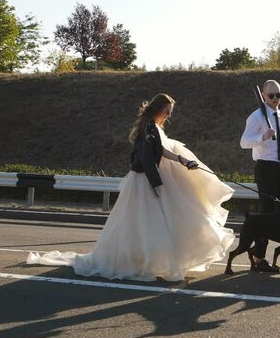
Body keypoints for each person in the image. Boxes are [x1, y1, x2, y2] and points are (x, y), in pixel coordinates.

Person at [27, 93, 236, 282]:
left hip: (148, 178)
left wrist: (182, 160)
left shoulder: (153, 126)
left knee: (148, 222)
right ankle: (145, 261)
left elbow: (162, 150)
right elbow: (158, 153)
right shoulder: (150, 127)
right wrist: (171, 168)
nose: (169, 115)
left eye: (170, 112)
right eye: (167, 111)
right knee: (149, 221)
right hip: (146, 179)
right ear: (158, 109)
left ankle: (148, 260)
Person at [240, 80, 280, 272]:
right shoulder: (256, 116)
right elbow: (244, 142)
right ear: (263, 95)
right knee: (268, 214)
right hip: (265, 168)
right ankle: (259, 257)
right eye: (271, 96)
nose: (276, 99)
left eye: (279, 95)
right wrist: (263, 137)